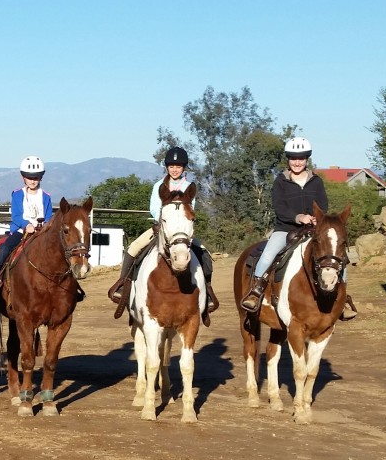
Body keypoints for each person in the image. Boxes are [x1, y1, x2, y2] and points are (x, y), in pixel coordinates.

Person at [239, 137, 357, 319]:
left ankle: (341, 301)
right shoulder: (280, 181)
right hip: (285, 229)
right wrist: (298, 217)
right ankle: (255, 292)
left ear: (307, 159)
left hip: (312, 229)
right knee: (267, 257)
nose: (297, 162)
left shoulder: (316, 181)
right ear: (288, 159)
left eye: (301, 158)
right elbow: (279, 207)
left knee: (339, 259)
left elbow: (322, 205)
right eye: (293, 158)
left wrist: (316, 218)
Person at [107, 147, 219, 323]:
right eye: (172, 166)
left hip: (180, 230)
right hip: (160, 227)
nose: (175, 169)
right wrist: (163, 218)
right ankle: (123, 285)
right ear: (166, 167)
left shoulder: (189, 187)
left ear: (184, 168)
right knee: (133, 248)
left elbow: (191, 207)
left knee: (204, 255)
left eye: (179, 166)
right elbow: (153, 207)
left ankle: (208, 292)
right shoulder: (158, 186)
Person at [0, 156, 53, 303]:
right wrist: (27, 225)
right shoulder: (17, 194)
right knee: (4, 250)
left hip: (42, 234)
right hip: (21, 231)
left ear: (41, 177)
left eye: (36, 177)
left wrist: (45, 226)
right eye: (29, 177)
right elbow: (16, 215)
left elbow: (49, 216)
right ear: (23, 178)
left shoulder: (46, 197)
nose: (33, 181)